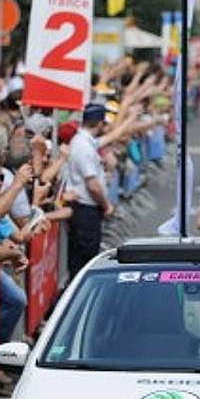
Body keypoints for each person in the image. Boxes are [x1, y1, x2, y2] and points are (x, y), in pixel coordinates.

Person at [67, 103, 114, 278]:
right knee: (84, 264)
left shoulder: (85, 141)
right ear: (99, 123)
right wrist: (106, 204)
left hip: (86, 210)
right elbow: (92, 185)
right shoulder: (83, 147)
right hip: (86, 212)